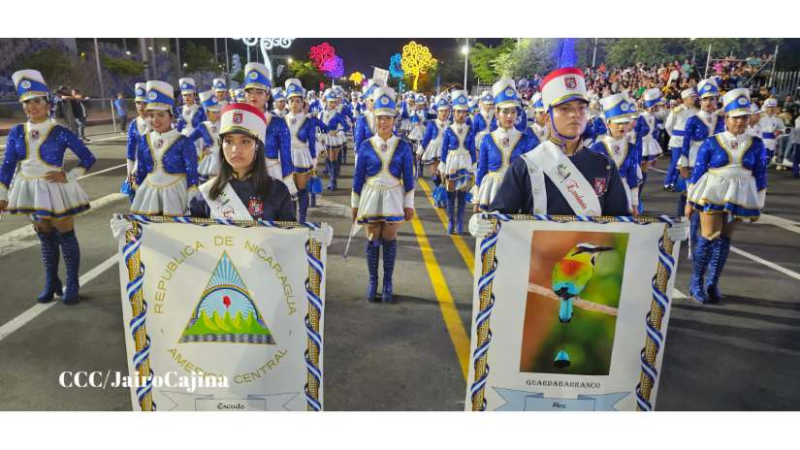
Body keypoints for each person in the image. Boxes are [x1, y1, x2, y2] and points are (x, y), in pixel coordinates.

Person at [0, 69, 96, 305]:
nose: (31, 107)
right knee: (44, 237)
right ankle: (52, 282)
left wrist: (70, 176)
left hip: (55, 189)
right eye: (26, 102)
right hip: (28, 190)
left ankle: (72, 283)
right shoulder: (16, 132)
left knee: (65, 235)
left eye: (36, 101)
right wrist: (2, 194)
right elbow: (8, 164)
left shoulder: (60, 131)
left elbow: (87, 157)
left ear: (47, 103)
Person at [489, 68, 630, 216]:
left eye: (581, 108)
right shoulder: (525, 165)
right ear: (547, 118)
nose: (575, 114)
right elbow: (501, 216)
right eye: (564, 108)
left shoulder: (604, 166)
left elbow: (621, 224)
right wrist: (488, 222)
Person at [685, 88, 767, 304]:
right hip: (713, 191)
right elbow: (698, 172)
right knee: (709, 236)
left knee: (725, 240)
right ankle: (696, 283)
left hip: (741, 194)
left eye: (744, 117)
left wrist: (759, 201)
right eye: (736, 118)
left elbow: (761, 174)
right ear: (727, 118)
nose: (740, 122)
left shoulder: (757, 143)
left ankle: (712, 283)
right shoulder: (712, 141)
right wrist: (690, 201)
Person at [351, 86, 415, 303]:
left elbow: (409, 178)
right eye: (379, 118)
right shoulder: (365, 145)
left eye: (388, 117)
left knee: (389, 238)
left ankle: (387, 281)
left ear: (394, 119)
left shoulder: (404, 146)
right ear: (374, 119)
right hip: (370, 196)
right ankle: (372, 281)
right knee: (372, 238)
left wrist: (409, 204)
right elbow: (358, 178)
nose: (383, 122)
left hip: (394, 196)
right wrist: (354, 204)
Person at [190, 103, 295, 221]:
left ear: (258, 146)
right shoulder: (206, 194)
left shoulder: (278, 192)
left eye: (245, 142)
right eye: (229, 141)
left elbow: (290, 238)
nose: (235, 149)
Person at [130, 80, 199, 216]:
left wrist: (192, 199)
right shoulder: (144, 140)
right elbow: (142, 170)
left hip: (176, 194)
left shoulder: (184, 141)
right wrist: (136, 187)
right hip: (149, 192)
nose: (155, 120)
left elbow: (192, 173)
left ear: (171, 116)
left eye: (161, 115)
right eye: (151, 115)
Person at [476, 78, 539, 212]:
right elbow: (481, 168)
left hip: (516, 190)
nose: (509, 116)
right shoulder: (487, 139)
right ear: (497, 114)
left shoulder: (526, 139)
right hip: (491, 189)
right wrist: (477, 195)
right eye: (505, 111)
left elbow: (531, 172)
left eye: (513, 111)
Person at [678, 78, 725, 251]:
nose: (708, 103)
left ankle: (701, 235)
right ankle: (682, 232)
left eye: (711, 99)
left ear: (716, 100)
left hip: (713, 164)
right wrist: (682, 165)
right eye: (705, 99)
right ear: (700, 100)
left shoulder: (721, 121)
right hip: (693, 161)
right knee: (688, 198)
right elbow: (685, 143)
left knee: (706, 199)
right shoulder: (693, 120)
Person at [243, 63, 295, 198]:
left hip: (271, 174)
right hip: (244, 175)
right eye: (250, 91)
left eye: (259, 92)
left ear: (267, 96)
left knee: (269, 214)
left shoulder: (278, 122)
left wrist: (288, 184)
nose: (253, 95)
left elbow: (285, 156)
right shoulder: (237, 121)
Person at [591, 93, 641, 213]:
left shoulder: (632, 148)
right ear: (607, 123)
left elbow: (632, 177)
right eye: (618, 122)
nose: (621, 126)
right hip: (601, 195)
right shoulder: (596, 148)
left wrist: (635, 204)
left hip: (625, 194)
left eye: (625, 123)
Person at [440, 90, 476, 234]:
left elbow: (472, 148)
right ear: (453, 112)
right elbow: (443, 149)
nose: (461, 115)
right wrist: (442, 165)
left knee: (462, 194)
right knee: (450, 194)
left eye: (464, 112)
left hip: (465, 162)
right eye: (458, 112)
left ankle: (460, 222)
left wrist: (474, 165)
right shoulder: (448, 130)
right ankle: (451, 221)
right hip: (452, 162)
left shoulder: (470, 129)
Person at [284, 78, 317, 223]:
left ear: (303, 103)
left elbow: (312, 143)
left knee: (302, 190)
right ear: (288, 103)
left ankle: (302, 219)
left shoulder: (308, 121)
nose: (294, 104)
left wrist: (314, 160)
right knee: (289, 191)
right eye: (292, 101)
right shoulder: (281, 119)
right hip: (286, 156)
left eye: (298, 101)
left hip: (302, 156)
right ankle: (292, 219)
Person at [634, 88, 666, 212]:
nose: (659, 107)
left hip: (649, 145)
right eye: (657, 105)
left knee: (644, 172)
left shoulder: (653, 117)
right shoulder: (640, 117)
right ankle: (634, 197)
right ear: (652, 105)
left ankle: (638, 195)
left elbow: (655, 132)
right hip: (640, 147)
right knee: (637, 173)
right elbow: (635, 135)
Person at [663, 87, 698, 191]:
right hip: (677, 140)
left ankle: (676, 182)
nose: (694, 99)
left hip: (690, 140)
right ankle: (668, 182)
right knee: (675, 162)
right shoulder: (677, 111)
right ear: (685, 98)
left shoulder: (696, 111)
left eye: (694, 97)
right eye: (692, 97)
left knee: (685, 162)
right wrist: (673, 136)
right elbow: (668, 126)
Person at [319, 88, 350, 191]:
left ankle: (333, 181)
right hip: (325, 138)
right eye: (330, 102)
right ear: (326, 102)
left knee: (333, 159)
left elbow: (346, 126)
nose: (332, 104)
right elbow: (318, 126)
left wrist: (337, 132)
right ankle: (332, 178)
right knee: (328, 159)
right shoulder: (321, 113)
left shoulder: (337, 114)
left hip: (334, 139)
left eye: (334, 102)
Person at [125, 83, 151, 202]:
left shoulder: (158, 122)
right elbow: (130, 150)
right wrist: (129, 172)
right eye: (138, 103)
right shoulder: (133, 124)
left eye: (144, 103)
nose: (141, 106)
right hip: (138, 168)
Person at [189, 90, 223, 182]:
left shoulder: (224, 123)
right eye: (214, 112)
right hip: (210, 159)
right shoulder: (202, 126)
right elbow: (188, 140)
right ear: (207, 113)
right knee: (208, 185)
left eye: (218, 111)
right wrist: (200, 152)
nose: (218, 114)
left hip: (223, 158)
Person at [420, 94, 451, 183]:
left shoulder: (451, 124)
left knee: (445, 174)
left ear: (449, 112)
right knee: (435, 174)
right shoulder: (432, 123)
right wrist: (420, 151)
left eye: (446, 111)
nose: (443, 113)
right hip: (434, 149)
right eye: (441, 111)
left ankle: (444, 191)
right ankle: (439, 189)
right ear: (437, 112)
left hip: (447, 151)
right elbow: (426, 138)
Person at [175, 78, 207, 155]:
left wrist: (207, 143)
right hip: (183, 138)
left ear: (194, 96)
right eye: (184, 95)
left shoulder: (200, 109)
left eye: (189, 95)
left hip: (197, 139)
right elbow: (178, 128)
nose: (187, 97)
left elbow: (204, 127)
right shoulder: (179, 110)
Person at [758, 98, 784, 165]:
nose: (770, 109)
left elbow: (783, 129)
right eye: (768, 107)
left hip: (772, 142)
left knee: (768, 161)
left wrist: (780, 131)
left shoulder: (778, 118)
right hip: (760, 141)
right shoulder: (759, 117)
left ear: (775, 108)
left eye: (772, 107)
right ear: (765, 107)